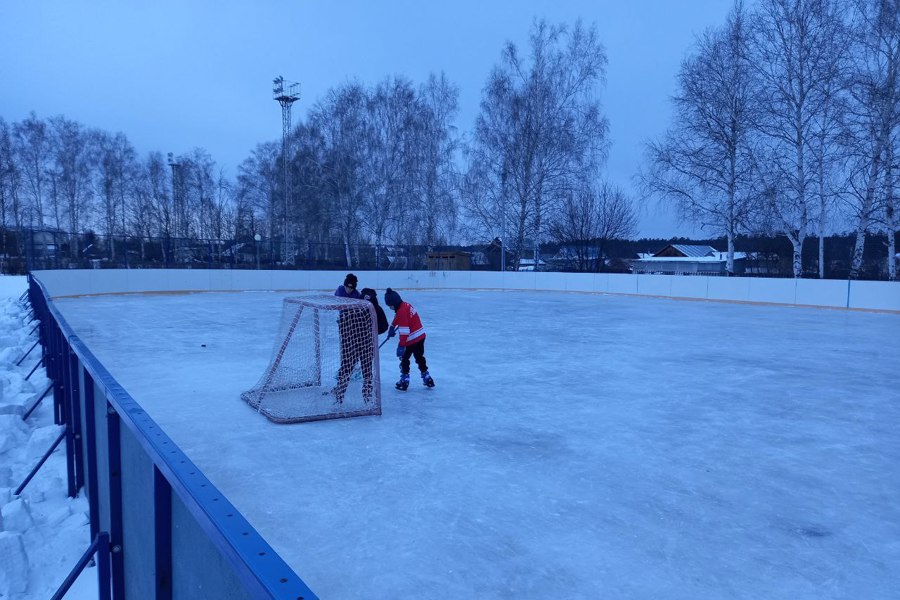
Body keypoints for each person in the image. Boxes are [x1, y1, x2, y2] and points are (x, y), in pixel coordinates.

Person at [384, 288, 435, 390]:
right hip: (420, 337)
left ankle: (404, 381)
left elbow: (404, 332)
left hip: (411, 339)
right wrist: (392, 326)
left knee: (404, 359)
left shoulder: (401, 312)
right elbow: (398, 316)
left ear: (393, 303)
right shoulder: (405, 305)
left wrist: (401, 346)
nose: (390, 307)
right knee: (419, 357)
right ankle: (427, 377)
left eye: (390, 305)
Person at [332, 273, 371, 403]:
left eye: (351, 288)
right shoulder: (340, 291)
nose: (349, 290)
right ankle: (340, 384)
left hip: (354, 327)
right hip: (344, 325)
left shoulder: (356, 295)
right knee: (345, 354)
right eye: (347, 287)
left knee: (351, 356)